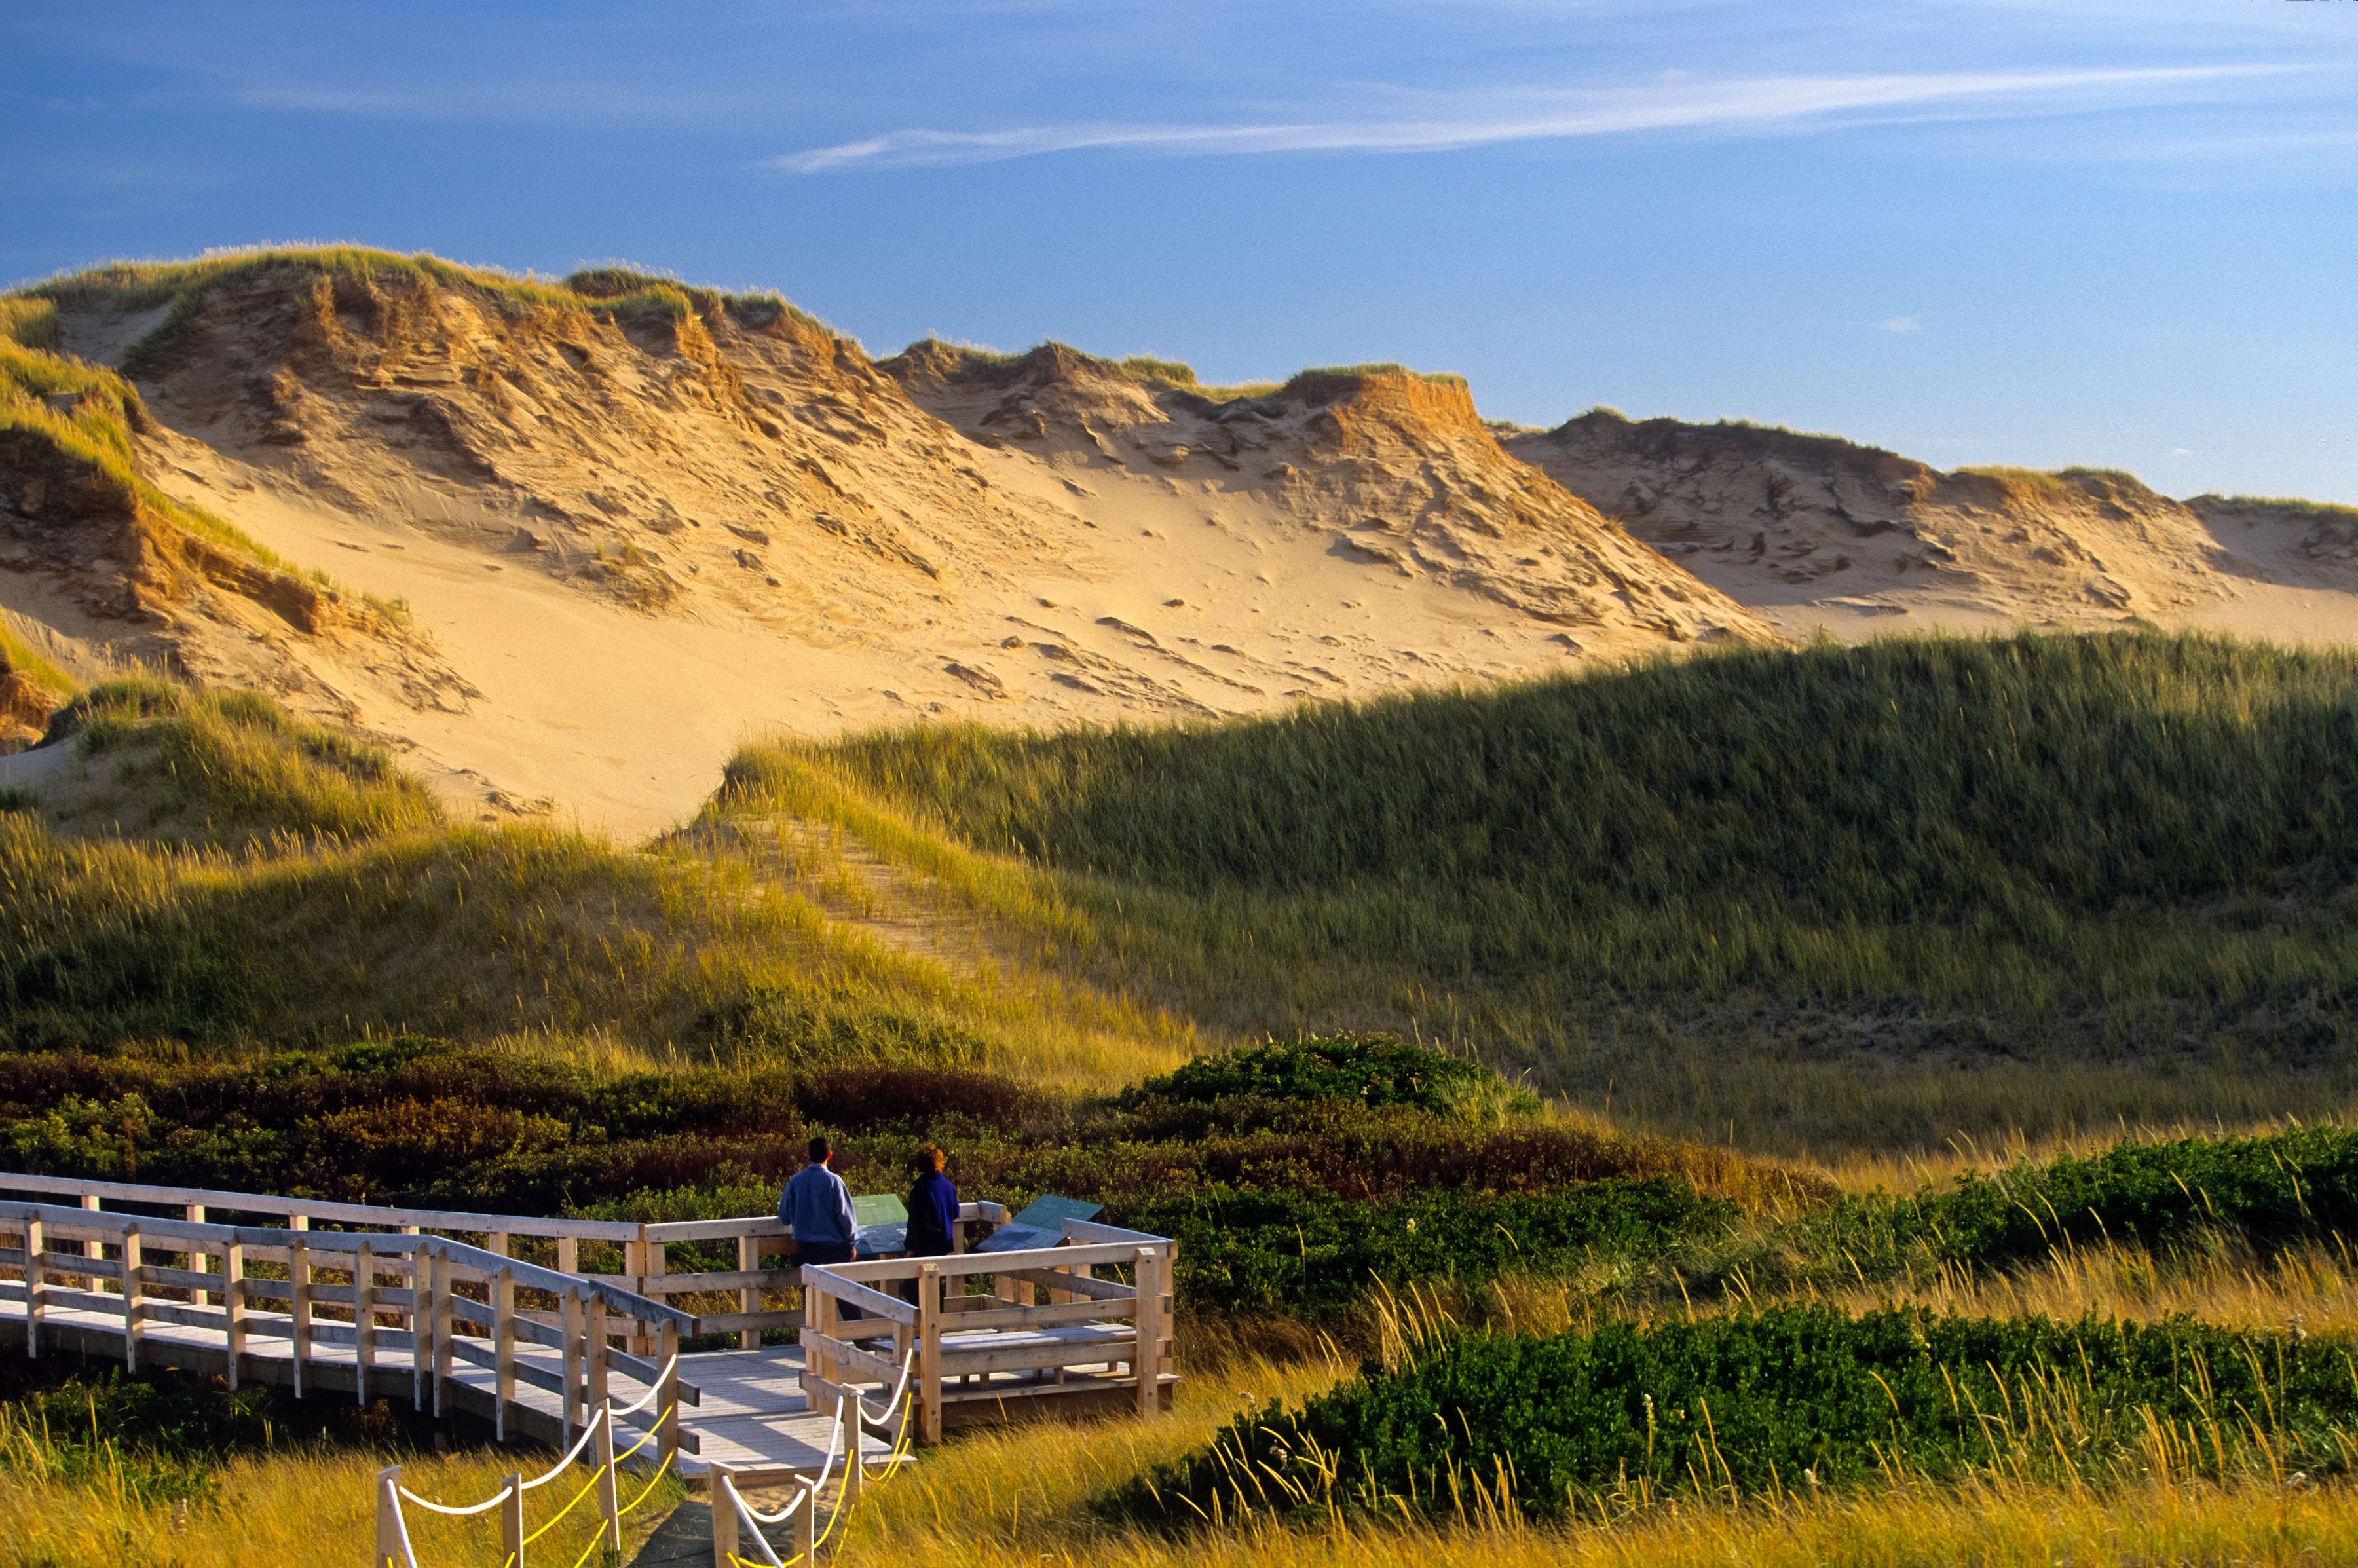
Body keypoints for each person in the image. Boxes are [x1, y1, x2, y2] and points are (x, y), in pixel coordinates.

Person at [779, 1136, 861, 1316]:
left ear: (808, 1155)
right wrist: (852, 1244)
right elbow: (845, 1217)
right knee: (846, 1296)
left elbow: (784, 1217)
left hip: (807, 1250)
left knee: (812, 1298)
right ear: (830, 1155)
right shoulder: (834, 1182)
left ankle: (814, 1341)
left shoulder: (795, 1181)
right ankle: (860, 1337)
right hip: (833, 1250)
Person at [905, 1144, 958, 1258]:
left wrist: (910, 1246)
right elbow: (955, 1213)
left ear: (920, 1165)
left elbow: (915, 1221)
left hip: (925, 1247)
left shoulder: (920, 1188)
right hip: (944, 1244)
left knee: (916, 1276)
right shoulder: (949, 1186)